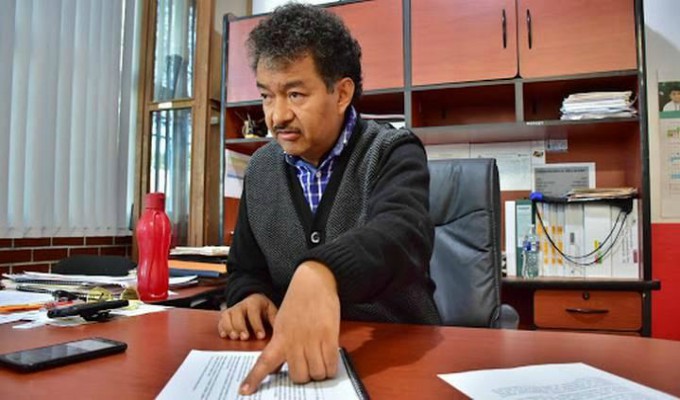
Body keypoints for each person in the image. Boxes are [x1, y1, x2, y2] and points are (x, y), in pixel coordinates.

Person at [217, 3, 441, 395]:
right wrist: (249, 296)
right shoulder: (261, 169)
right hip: (296, 364)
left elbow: (404, 235)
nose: (277, 116)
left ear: (341, 93)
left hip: (398, 356)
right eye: (267, 96)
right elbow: (245, 268)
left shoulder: (392, 150)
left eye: (295, 94)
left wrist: (324, 271)